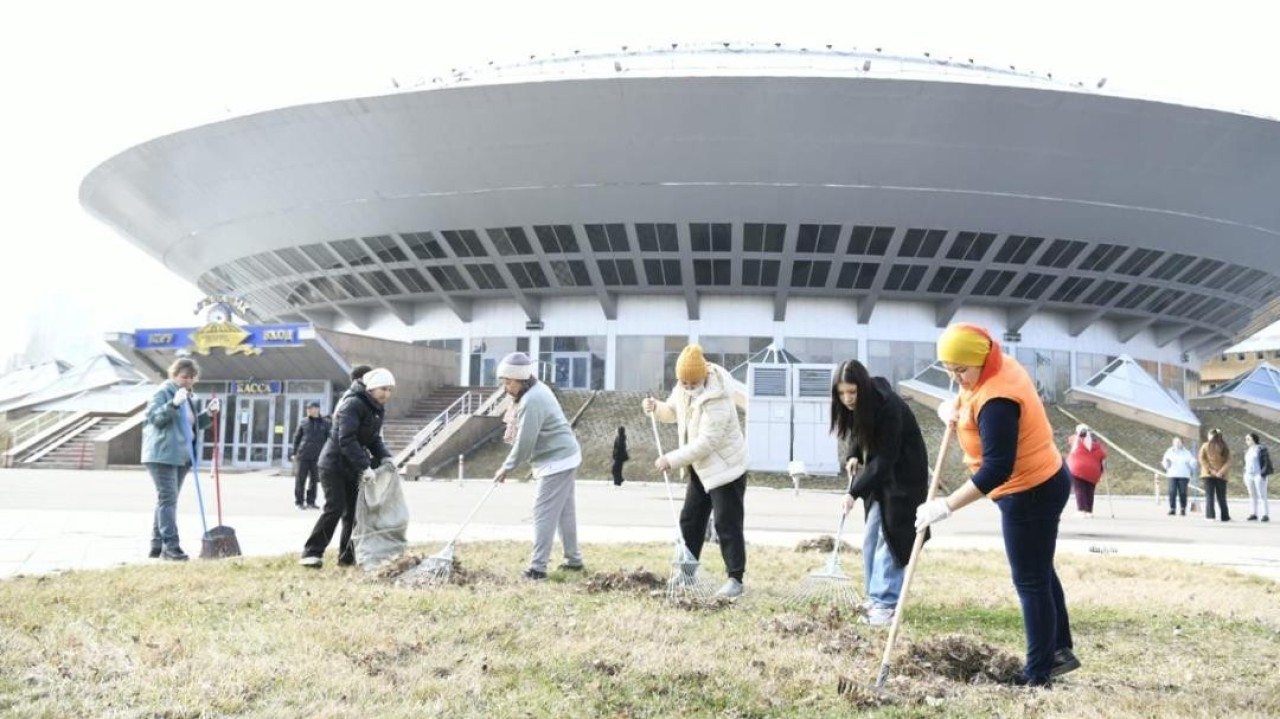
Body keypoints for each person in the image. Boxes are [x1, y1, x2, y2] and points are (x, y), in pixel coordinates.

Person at [915, 323, 1078, 687]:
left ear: (981, 359)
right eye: (948, 369)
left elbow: (996, 470)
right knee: (1041, 570)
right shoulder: (998, 366)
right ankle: (1058, 651)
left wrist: (945, 506)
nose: (955, 377)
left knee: (1030, 581)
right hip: (1044, 478)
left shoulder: (998, 401)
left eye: (961, 369)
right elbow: (972, 392)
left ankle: (1038, 675)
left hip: (1028, 491)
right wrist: (955, 407)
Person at [642, 344, 749, 599]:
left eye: (692, 383)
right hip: (701, 470)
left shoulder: (719, 397)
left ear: (703, 377)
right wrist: (656, 407)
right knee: (690, 519)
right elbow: (672, 413)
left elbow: (706, 443)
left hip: (727, 470)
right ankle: (687, 572)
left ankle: (735, 579)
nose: (688, 387)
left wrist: (671, 459)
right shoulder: (683, 387)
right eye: (684, 383)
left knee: (727, 524)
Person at [831, 359, 930, 626]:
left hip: (904, 478)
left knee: (891, 538)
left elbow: (885, 458)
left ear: (862, 387)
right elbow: (857, 431)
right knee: (872, 536)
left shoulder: (889, 408)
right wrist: (853, 454)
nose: (847, 399)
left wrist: (854, 492)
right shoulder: (860, 405)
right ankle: (875, 597)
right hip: (881, 476)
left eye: (852, 392)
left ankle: (886, 603)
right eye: (841, 393)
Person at [492, 352, 585, 580]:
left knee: (543, 512)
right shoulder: (535, 389)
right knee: (564, 512)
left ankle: (537, 568)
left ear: (520, 379)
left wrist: (506, 467)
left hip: (557, 460)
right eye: (503, 382)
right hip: (565, 455)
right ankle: (573, 560)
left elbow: (525, 442)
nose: (505, 388)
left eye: (508, 382)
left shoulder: (532, 400)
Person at [300, 367, 395, 568]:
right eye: (383, 389)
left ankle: (348, 557)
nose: (386, 394)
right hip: (333, 464)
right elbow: (346, 439)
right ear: (371, 388)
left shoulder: (376, 408)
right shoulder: (352, 404)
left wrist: (386, 457)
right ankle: (312, 552)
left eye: (390, 390)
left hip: (353, 466)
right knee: (335, 507)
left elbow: (373, 439)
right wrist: (365, 466)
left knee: (354, 513)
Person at [142, 358, 220, 561]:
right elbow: (156, 419)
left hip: (182, 456)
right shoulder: (164, 392)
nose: (187, 381)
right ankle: (171, 546)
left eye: (192, 378)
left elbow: (191, 426)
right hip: (163, 454)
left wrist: (208, 414)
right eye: (184, 377)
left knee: (167, 500)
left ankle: (156, 543)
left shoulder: (189, 397)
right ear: (174, 375)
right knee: (168, 500)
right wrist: (173, 403)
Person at [290, 401, 331, 510]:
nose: (308, 410)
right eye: (307, 409)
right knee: (300, 479)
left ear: (317, 409)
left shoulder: (326, 423)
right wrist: (294, 453)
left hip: (318, 456)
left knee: (314, 480)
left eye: (310, 408)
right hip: (303, 455)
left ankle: (311, 502)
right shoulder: (303, 422)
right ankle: (299, 502)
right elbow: (296, 438)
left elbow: (329, 440)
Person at [1065, 424, 1106, 518]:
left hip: (1077, 469)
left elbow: (1070, 441)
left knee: (1079, 489)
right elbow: (1103, 455)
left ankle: (1081, 510)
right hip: (1093, 471)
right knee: (1090, 490)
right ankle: (1089, 511)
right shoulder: (1096, 444)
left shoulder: (1074, 440)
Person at [1198, 429, 1231, 522]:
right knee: (1221, 496)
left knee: (1209, 495)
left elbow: (1202, 459)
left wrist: (1211, 471)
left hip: (1208, 475)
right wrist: (1220, 472)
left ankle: (1210, 516)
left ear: (1210, 436)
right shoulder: (1224, 446)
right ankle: (1225, 516)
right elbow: (1229, 461)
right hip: (1222, 475)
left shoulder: (1205, 445)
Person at [1161, 437, 1196, 516]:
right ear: (1173, 443)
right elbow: (1164, 461)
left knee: (1183, 492)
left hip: (1183, 475)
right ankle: (1172, 508)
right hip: (1172, 475)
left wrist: (1193, 463)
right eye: (1176, 442)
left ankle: (1183, 508)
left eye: (1179, 442)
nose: (1177, 444)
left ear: (1182, 443)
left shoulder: (1186, 452)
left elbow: (1191, 461)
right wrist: (1166, 464)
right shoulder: (1169, 451)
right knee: (1172, 491)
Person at [1243, 433, 1271, 522]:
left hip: (1258, 474)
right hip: (1249, 475)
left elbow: (1266, 462)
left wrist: (1263, 474)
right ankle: (1254, 513)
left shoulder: (1261, 449)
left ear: (1254, 439)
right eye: (1246, 439)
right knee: (1252, 494)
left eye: (1248, 439)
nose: (1247, 441)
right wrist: (1245, 473)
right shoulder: (1248, 450)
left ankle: (1265, 514)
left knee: (1262, 494)